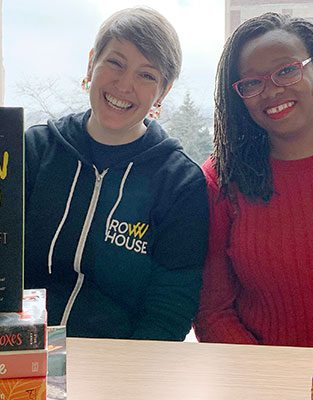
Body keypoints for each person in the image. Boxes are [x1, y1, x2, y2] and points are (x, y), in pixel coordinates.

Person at [23, 7, 208, 340]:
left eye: (147, 75)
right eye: (115, 63)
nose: (125, 85)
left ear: (162, 92)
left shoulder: (179, 181)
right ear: (92, 63)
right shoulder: (35, 150)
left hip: (119, 366)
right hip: (20, 354)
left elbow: (170, 306)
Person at [194, 12, 313, 347]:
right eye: (252, 83)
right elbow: (212, 313)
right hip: (264, 381)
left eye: (287, 70)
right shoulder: (221, 180)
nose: (271, 91)